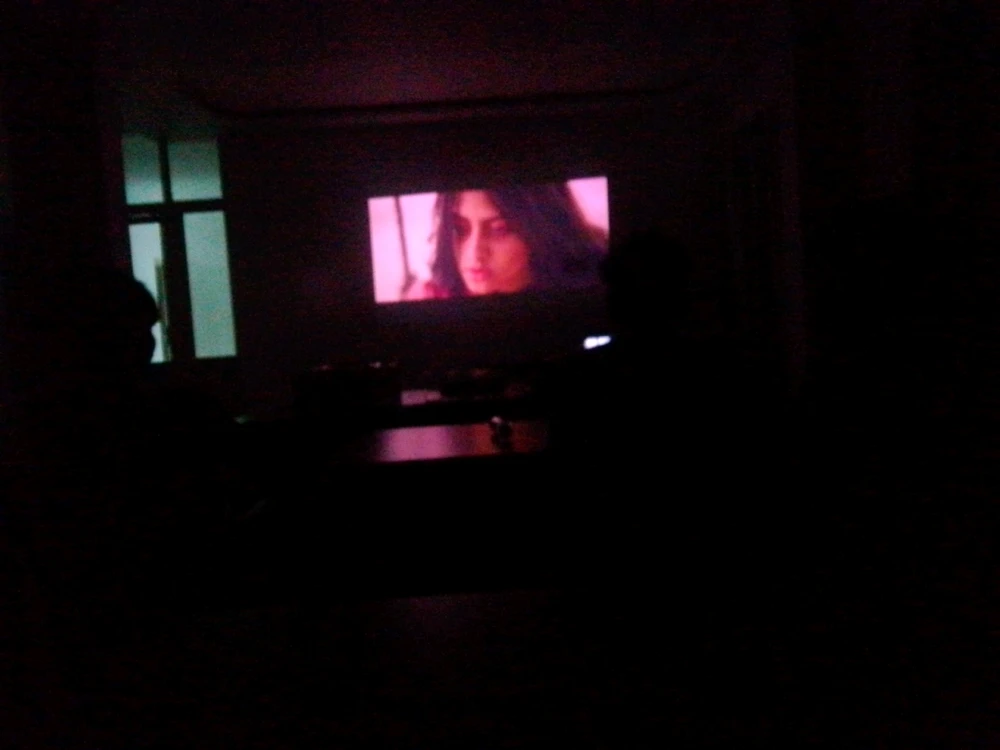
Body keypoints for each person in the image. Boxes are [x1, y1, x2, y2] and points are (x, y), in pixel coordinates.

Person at [407, 183, 607, 299]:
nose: (474, 253)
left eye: (499, 230)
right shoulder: (431, 297)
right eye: (460, 228)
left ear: (541, 227)